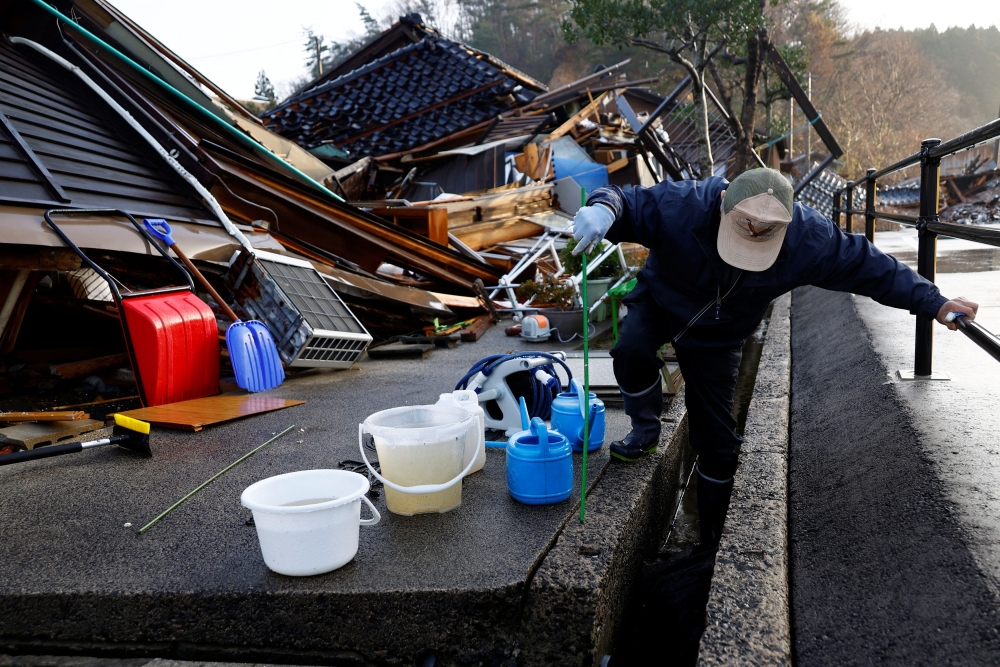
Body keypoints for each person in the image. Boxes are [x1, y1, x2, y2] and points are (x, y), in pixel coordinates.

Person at [571, 168, 978, 545]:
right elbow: (625, 200)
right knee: (630, 350)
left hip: (720, 334)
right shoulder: (684, 203)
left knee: (716, 441)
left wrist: (935, 301)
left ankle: (711, 540)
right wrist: (602, 210)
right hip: (662, 299)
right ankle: (645, 429)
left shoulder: (807, 238)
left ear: (785, 227)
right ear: (723, 203)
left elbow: (868, 265)